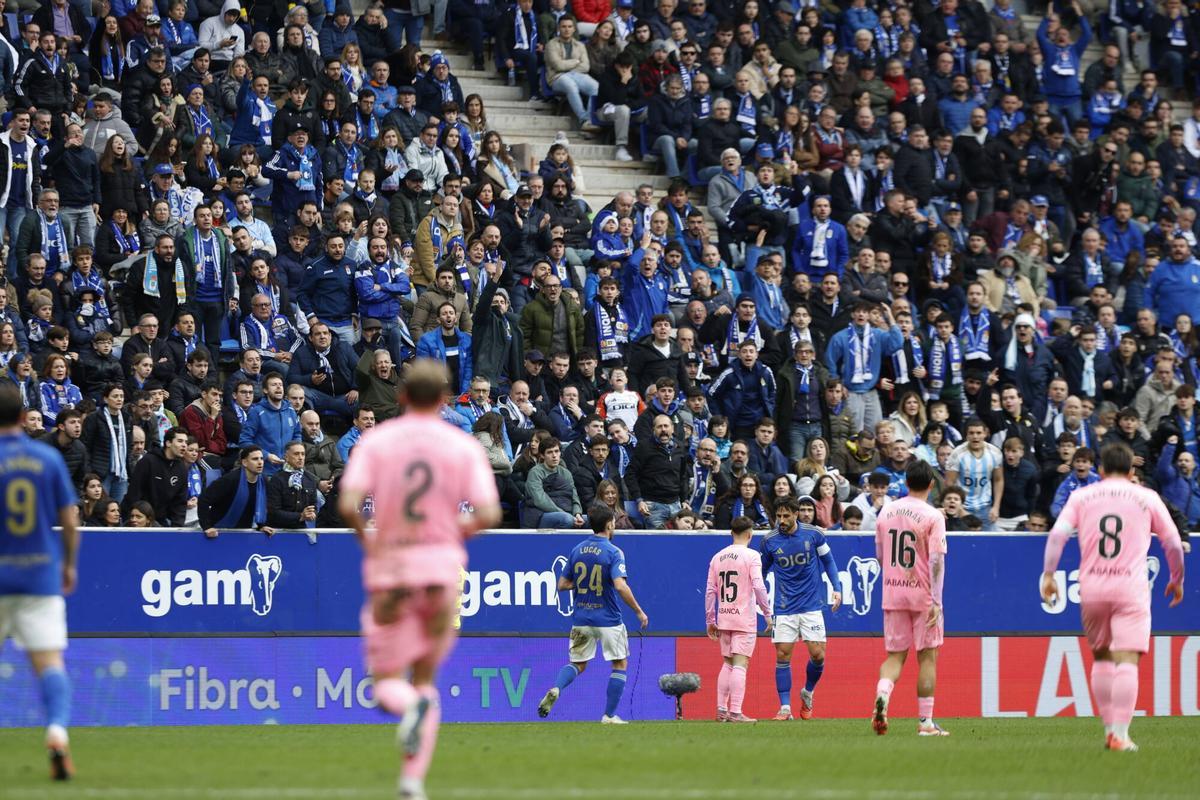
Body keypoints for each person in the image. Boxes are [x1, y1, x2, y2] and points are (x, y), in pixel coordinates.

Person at [338, 359, 501, 800]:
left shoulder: (378, 442)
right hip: (442, 568)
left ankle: (408, 710)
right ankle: (412, 781)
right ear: (446, 400)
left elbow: (350, 502)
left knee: (386, 679)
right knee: (425, 680)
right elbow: (489, 512)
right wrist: (451, 533)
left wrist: (371, 542)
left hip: (392, 564)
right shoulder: (461, 445)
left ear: (402, 396)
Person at [1042, 442, 1185, 751]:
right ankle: (1120, 734)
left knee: (1102, 657)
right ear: (1132, 470)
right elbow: (1172, 541)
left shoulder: (1083, 496)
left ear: (1101, 470)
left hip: (1091, 587)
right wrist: (1176, 579)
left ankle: (1109, 729)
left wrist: (1049, 575)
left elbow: (1057, 534)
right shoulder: (1146, 497)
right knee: (1128, 661)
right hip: (1130, 588)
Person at [0, 383, 79, 780]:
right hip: (40, 573)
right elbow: (69, 521)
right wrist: (68, 565)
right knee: (49, 662)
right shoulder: (47, 458)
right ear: (21, 417)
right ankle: (57, 733)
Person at [536, 504, 650, 723]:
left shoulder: (577, 549)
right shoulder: (614, 551)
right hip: (608, 618)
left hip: (581, 617)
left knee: (578, 664)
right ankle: (609, 715)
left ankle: (557, 688)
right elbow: (620, 586)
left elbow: (562, 584)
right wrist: (638, 611)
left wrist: (583, 582)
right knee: (619, 663)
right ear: (609, 524)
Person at [872, 460, 949, 737]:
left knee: (894, 657)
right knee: (927, 657)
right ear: (931, 484)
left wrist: (892, 576)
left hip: (892, 591)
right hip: (923, 594)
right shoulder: (933, 516)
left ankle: (883, 695)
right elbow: (937, 561)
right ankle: (926, 723)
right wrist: (937, 602)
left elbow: (880, 555)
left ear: (905, 482)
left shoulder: (886, 511)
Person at [760, 496, 842, 721]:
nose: (782, 520)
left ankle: (808, 691)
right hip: (784, 607)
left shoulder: (813, 534)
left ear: (796, 514)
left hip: (811, 605)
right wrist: (758, 600)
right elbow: (761, 573)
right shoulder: (769, 541)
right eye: (779, 516)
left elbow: (829, 562)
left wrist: (837, 587)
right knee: (783, 655)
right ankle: (785, 708)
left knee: (818, 655)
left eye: (786, 516)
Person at [706, 515, 773, 722]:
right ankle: (735, 712)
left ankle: (721, 710)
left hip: (724, 617)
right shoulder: (752, 556)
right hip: (744, 618)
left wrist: (710, 619)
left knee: (727, 663)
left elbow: (710, 591)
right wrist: (768, 613)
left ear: (731, 533)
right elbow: (759, 586)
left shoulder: (717, 557)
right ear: (750, 534)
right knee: (740, 664)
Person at [197, 445, 276, 538]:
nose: (260, 462)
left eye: (261, 459)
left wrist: (262, 526)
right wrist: (207, 527)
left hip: (243, 533)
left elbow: (263, 507)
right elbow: (204, 499)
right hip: (219, 531)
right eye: (255, 459)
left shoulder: (264, 481)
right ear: (244, 462)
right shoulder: (230, 480)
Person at [122, 426, 188, 526]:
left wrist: (177, 527)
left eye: (185, 442)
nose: (184, 445)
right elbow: (134, 494)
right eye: (180, 441)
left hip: (162, 519)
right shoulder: (148, 461)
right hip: (139, 519)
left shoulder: (181, 468)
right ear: (168, 443)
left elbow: (180, 502)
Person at [945, 418, 1004, 523]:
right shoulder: (957, 454)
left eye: (978, 433)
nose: (975, 436)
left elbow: (998, 480)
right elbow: (949, 483)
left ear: (985, 434)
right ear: (967, 435)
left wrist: (996, 507)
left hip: (985, 508)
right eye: (971, 433)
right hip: (963, 508)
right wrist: (960, 509)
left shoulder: (995, 453)